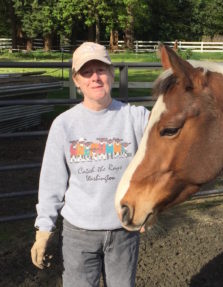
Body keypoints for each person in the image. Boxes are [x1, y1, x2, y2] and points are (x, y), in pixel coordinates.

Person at [30, 42, 150, 287]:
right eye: (87, 72)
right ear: (76, 80)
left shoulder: (135, 118)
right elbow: (52, 181)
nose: (95, 77)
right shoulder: (64, 125)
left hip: (123, 231)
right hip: (79, 234)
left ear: (112, 74)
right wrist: (43, 229)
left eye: (101, 70)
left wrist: (152, 206)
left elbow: (165, 155)